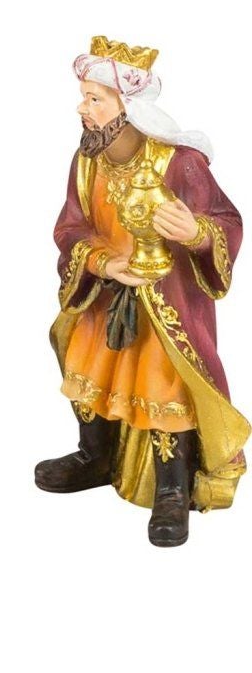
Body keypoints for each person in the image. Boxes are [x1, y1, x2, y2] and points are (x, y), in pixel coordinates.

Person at [37, 38, 245, 546]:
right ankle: (95, 456)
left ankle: (172, 488)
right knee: (86, 369)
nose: (82, 109)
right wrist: (104, 262)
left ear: (129, 108)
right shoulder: (87, 161)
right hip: (105, 297)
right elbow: (71, 228)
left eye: (94, 99)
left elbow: (226, 222)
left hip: (164, 307)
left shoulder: (180, 164)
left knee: (163, 388)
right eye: (84, 97)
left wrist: (196, 233)